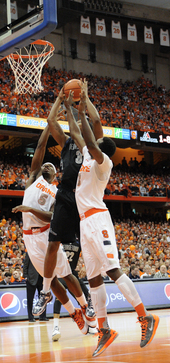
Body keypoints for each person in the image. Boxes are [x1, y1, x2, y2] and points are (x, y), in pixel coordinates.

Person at [65, 83, 159, 357]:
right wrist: (70, 107)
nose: (89, 145)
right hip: (85, 223)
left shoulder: (103, 163)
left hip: (98, 220)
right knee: (93, 279)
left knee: (112, 271)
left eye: (95, 145)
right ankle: (104, 329)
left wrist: (82, 111)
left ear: (102, 151)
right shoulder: (86, 157)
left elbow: (92, 138)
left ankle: (144, 316)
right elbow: (76, 132)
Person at [12, 125, 90, 336]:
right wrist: (47, 128)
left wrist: (29, 209)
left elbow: (53, 218)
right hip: (30, 239)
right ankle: (74, 313)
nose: (46, 166)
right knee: (52, 281)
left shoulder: (57, 191)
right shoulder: (32, 181)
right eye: (44, 164)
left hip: (46, 235)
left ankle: (85, 305)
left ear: (55, 174)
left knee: (66, 274)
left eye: (51, 166)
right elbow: (40, 147)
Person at [33, 83, 100, 327]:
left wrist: (79, 104)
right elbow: (51, 121)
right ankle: (45, 291)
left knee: (91, 253)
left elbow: (89, 121)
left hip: (84, 199)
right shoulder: (67, 144)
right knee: (53, 245)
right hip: (65, 197)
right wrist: (60, 99)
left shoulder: (92, 147)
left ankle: (91, 301)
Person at [52, 239, 95, 341]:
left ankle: (89, 324)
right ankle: (55, 327)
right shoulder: (59, 239)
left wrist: (84, 266)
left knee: (86, 295)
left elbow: (86, 253)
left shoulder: (78, 241)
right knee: (58, 299)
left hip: (72, 275)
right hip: (61, 274)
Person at [23, 253, 49, 322]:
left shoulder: (43, 253)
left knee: (43, 299)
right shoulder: (30, 252)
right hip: (31, 279)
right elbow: (25, 265)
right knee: (30, 299)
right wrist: (25, 277)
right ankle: (31, 317)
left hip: (41, 278)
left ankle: (43, 316)